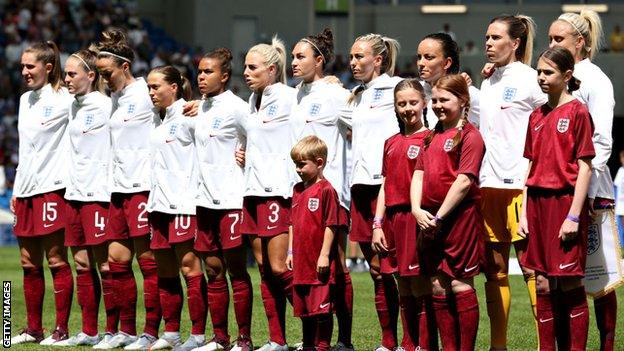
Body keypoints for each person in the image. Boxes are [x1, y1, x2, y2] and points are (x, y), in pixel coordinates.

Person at [548, 10, 618, 350]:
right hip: (556, 193)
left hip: (591, 193)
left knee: (599, 279)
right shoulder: (554, 77)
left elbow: (602, 140)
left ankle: (606, 345)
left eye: (558, 39)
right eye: (549, 39)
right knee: (561, 277)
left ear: (580, 41)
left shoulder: (596, 80)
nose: (551, 45)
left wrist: (585, 189)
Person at [519, 46, 595, 350]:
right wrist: (524, 212)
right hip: (536, 205)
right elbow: (531, 165)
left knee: (570, 281)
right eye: (539, 71)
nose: (541, 77)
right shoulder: (536, 115)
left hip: (564, 204)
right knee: (542, 282)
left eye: (548, 72)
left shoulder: (578, 112)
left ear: (567, 75)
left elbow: (585, 166)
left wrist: (574, 216)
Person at [479, 15, 546, 350]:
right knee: (495, 273)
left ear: (515, 42)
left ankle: (544, 345)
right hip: (488, 185)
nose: (488, 43)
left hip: (520, 186)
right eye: (486, 37)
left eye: (495, 37)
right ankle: (498, 345)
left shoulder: (532, 80)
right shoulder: (489, 81)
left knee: (533, 271)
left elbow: (550, 119)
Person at [93, 28, 162, 350]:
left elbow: (176, 104)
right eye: (100, 73)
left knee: (148, 263)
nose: (103, 78)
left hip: (142, 187)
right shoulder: (113, 99)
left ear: (123, 66)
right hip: (117, 190)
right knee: (116, 261)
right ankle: (127, 331)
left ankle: (151, 333)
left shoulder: (145, 94)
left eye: (107, 72)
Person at [289, 28, 354, 351]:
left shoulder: (336, 95)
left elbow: (364, 126)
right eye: (292, 56)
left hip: (332, 193)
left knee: (337, 265)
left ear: (319, 60)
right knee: (305, 265)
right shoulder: (296, 94)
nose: (294, 62)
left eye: (300, 56)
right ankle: (312, 337)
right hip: (301, 192)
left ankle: (343, 339)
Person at [411, 74, 485, 351]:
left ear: (463, 101)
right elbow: (418, 173)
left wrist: (439, 217)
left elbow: (464, 181)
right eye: (435, 100)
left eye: (446, 99)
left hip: (458, 220)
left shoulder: (470, 136)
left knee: (459, 284)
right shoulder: (431, 136)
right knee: (437, 286)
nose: (438, 105)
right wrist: (417, 209)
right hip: (429, 219)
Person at [10, 41, 74, 345]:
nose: (24, 71)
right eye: (22, 66)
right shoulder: (25, 100)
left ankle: (61, 330)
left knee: (56, 259)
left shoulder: (66, 98)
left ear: (48, 67)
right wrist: (16, 187)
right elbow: (27, 150)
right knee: (27, 262)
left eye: (30, 66)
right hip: (25, 191)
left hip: (53, 189)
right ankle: (32, 329)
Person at [340, 33, 402, 351]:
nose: (353, 62)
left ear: (378, 59)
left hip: (388, 187)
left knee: (402, 271)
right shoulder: (355, 96)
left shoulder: (398, 89)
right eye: (351, 57)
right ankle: (389, 342)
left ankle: (415, 341)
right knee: (377, 271)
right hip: (360, 189)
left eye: (360, 56)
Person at [192, 48, 254, 351]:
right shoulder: (200, 108)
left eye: (208, 72)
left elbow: (261, 136)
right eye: (200, 72)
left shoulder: (237, 107)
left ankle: (244, 338)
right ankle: (220, 338)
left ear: (225, 76)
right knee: (212, 270)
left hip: (230, 199)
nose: (201, 77)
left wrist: (247, 153)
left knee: (236, 269)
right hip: (203, 200)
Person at [143, 65, 207, 351]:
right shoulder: (159, 120)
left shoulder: (189, 115)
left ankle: (198, 335)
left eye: (156, 86)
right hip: (157, 205)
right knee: (165, 271)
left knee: (189, 269)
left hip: (183, 203)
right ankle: (170, 333)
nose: (151, 92)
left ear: (175, 87)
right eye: (149, 87)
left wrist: (203, 105)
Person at [371, 78, 437, 351]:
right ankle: (408, 344)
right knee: (402, 285)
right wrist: (377, 223)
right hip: (391, 220)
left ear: (424, 103)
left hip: (415, 218)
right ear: (395, 108)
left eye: (413, 102)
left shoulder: (430, 138)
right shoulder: (390, 142)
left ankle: (425, 344)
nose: (408, 108)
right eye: (402, 104)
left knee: (420, 284)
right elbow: (386, 184)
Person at [240, 36, 297, 351]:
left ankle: (315, 326)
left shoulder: (291, 97)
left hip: (277, 190)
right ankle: (277, 339)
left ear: (272, 69)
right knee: (263, 268)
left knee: (279, 266)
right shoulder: (252, 101)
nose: (246, 72)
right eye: (245, 66)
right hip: (252, 192)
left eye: (253, 67)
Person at [53, 49, 112, 346]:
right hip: (73, 194)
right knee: (81, 264)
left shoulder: (106, 105)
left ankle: (114, 331)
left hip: (98, 194)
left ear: (91, 75)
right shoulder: (72, 106)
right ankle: (89, 331)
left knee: (105, 265)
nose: (66, 79)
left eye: (72, 73)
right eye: (65, 73)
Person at [287, 135, 345, 351]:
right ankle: (309, 345)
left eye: (302, 164)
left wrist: (323, 254)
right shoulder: (297, 190)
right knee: (305, 311)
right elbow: (291, 223)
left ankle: (323, 346)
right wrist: (291, 251)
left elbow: (332, 224)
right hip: (301, 263)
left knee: (321, 310)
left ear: (319, 162)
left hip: (318, 263)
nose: (298, 169)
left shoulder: (326, 190)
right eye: (295, 165)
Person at [416, 32, 479, 129]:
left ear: (447, 63)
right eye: (419, 57)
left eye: (429, 57)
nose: (421, 63)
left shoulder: (470, 93)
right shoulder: (414, 91)